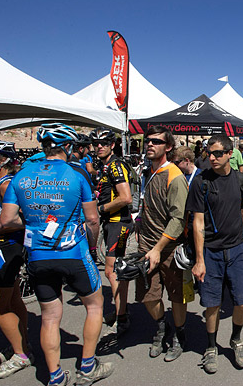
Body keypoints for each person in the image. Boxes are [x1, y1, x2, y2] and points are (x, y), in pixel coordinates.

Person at [1, 123, 114, 386]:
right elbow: (93, 219)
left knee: (50, 316)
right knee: (95, 305)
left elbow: (7, 220)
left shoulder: (21, 175)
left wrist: (34, 222)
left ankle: (54, 376)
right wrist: (94, 246)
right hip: (73, 252)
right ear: (68, 147)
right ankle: (87, 367)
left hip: (38, 256)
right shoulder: (77, 175)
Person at [187, 134, 243, 374]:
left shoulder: (241, 180)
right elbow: (198, 222)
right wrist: (199, 259)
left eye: (217, 153)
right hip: (211, 252)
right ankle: (211, 347)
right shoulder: (201, 181)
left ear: (229, 154)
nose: (211, 157)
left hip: (236, 250)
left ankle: (236, 338)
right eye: (209, 153)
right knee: (212, 304)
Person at [136, 126, 188, 362]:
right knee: (149, 296)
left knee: (176, 296)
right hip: (145, 247)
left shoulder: (174, 176)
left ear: (168, 147)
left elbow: (179, 219)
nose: (150, 144)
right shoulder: (149, 171)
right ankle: (161, 327)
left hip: (168, 249)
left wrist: (158, 249)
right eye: (148, 141)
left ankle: (178, 335)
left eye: (156, 141)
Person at [0, 140, 32, 380]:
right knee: (14, 301)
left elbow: (23, 219)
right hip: (6, 247)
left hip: (8, 248)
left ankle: (20, 355)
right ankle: (24, 346)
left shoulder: (6, 186)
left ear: (1, 160)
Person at [90, 127, 134, 338]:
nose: (99, 147)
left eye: (104, 143)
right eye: (96, 143)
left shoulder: (115, 166)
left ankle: (122, 317)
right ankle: (121, 312)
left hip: (119, 223)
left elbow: (126, 198)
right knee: (118, 270)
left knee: (112, 271)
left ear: (112, 145)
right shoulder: (105, 165)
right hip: (114, 224)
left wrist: (100, 209)